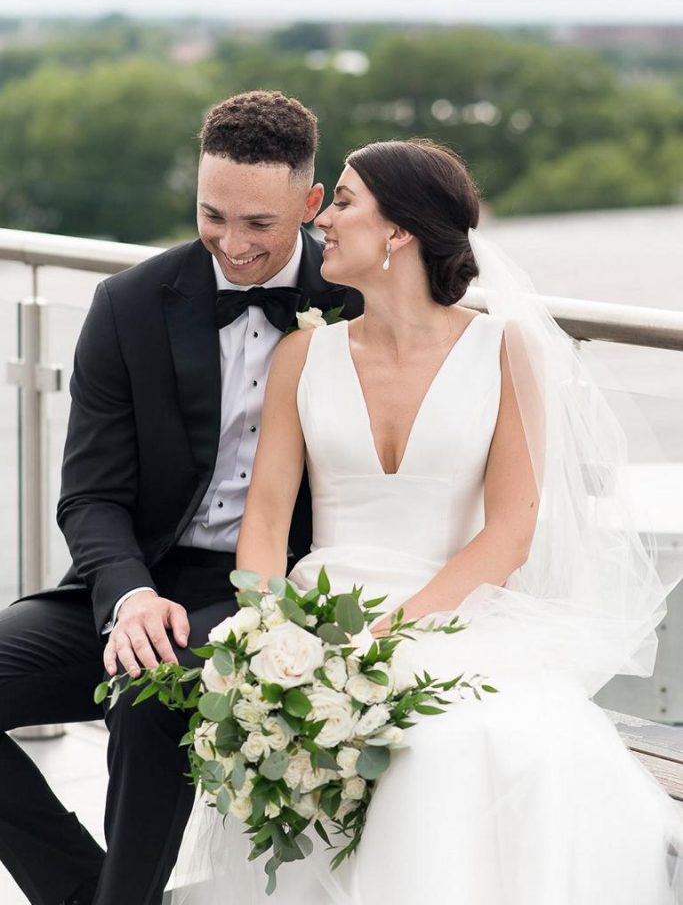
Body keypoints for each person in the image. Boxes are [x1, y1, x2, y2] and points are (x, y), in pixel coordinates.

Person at [181, 137, 683, 903]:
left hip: (454, 614)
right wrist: (270, 628)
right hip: (318, 612)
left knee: (478, 743)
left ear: (399, 231)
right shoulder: (300, 355)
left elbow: (510, 532)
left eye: (343, 201)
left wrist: (388, 637)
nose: (325, 220)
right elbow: (266, 518)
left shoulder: (502, 349)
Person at [0, 90, 362, 905]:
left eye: (259, 226)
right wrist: (128, 595)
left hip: (282, 585)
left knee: (146, 694)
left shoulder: (360, 309)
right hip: (146, 574)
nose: (231, 245)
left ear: (309, 205)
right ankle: (86, 891)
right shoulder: (129, 303)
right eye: (211, 215)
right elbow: (89, 494)